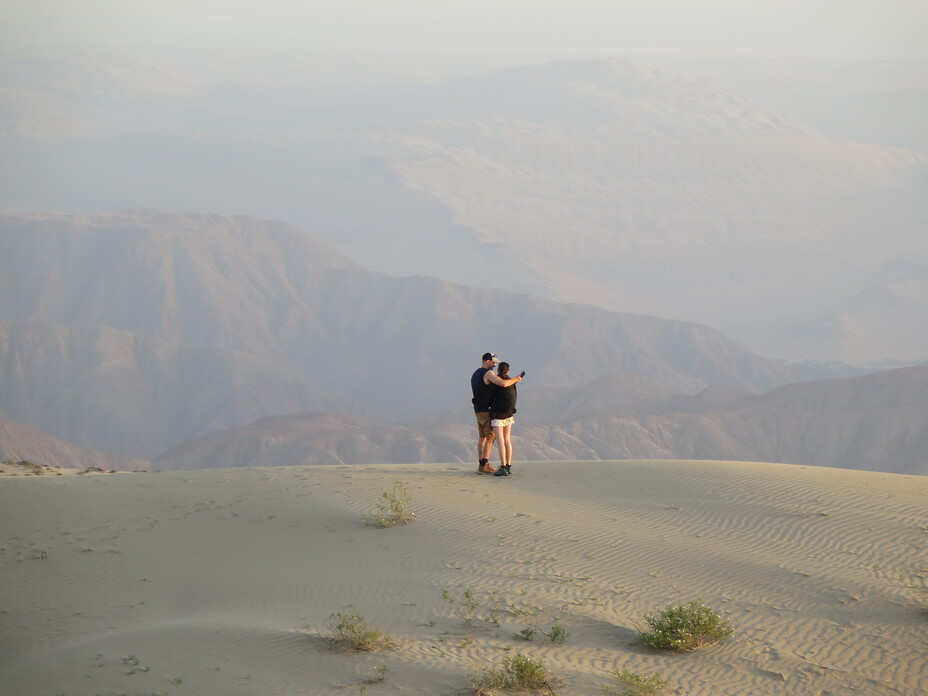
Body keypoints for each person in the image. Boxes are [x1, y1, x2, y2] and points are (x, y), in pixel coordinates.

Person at [471, 352, 523, 474]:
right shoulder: (488, 374)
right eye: (493, 362)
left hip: (478, 410)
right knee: (490, 437)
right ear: (488, 361)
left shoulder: (475, 373)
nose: (494, 365)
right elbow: (504, 384)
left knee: (482, 437)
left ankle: (481, 463)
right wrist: (516, 379)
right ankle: (484, 465)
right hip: (487, 410)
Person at [488, 361, 523, 477]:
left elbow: (490, 396)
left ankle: (502, 467)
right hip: (509, 415)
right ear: (507, 371)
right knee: (508, 440)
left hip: (498, 415)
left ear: (498, 370)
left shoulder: (496, 381)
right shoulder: (511, 382)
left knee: (500, 441)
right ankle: (508, 465)